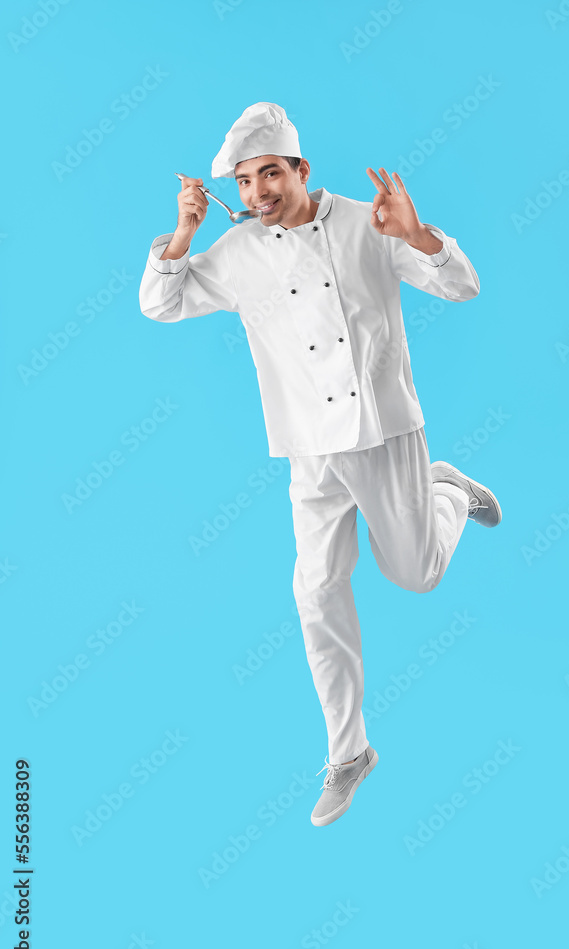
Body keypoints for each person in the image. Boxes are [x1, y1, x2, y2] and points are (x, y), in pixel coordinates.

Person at [139, 101, 501, 827]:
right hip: (306, 447)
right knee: (315, 593)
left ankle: (446, 487)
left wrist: (419, 235)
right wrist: (184, 231)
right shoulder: (237, 253)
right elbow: (160, 303)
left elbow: (462, 286)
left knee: (416, 575)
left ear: (301, 169)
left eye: (269, 173)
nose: (256, 193)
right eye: (242, 182)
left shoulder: (370, 222)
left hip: (383, 434)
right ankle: (348, 752)